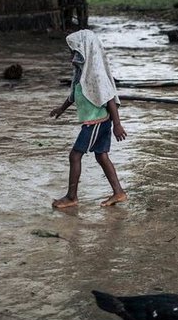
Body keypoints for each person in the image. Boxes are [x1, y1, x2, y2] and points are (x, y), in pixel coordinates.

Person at [50, 29, 128, 208]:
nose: (72, 54)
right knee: (101, 156)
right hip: (98, 121)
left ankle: (71, 197)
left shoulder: (96, 74)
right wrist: (61, 109)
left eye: (74, 50)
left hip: (96, 122)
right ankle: (119, 192)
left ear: (84, 49)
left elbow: (109, 98)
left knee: (75, 155)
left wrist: (117, 124)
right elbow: (75, 94)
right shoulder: (82, 72)